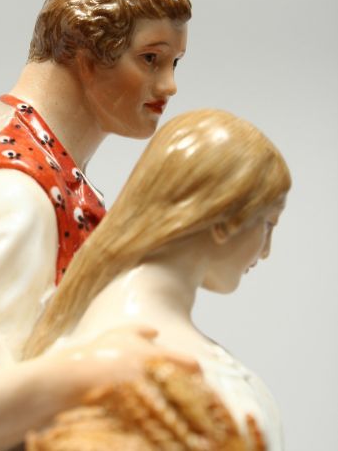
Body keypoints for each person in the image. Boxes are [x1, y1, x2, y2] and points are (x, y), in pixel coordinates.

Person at [0, 0, 191, 451]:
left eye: (174, 64)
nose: (169, 86)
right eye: (151, 59)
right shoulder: (14, 191)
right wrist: (96, 368)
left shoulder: (35, 158)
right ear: (85, 55)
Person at [22, 109, 291, 450]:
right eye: (268, 224)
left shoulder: (113, 332)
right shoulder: (128, 351)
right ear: (225, 220)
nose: (265, 251)